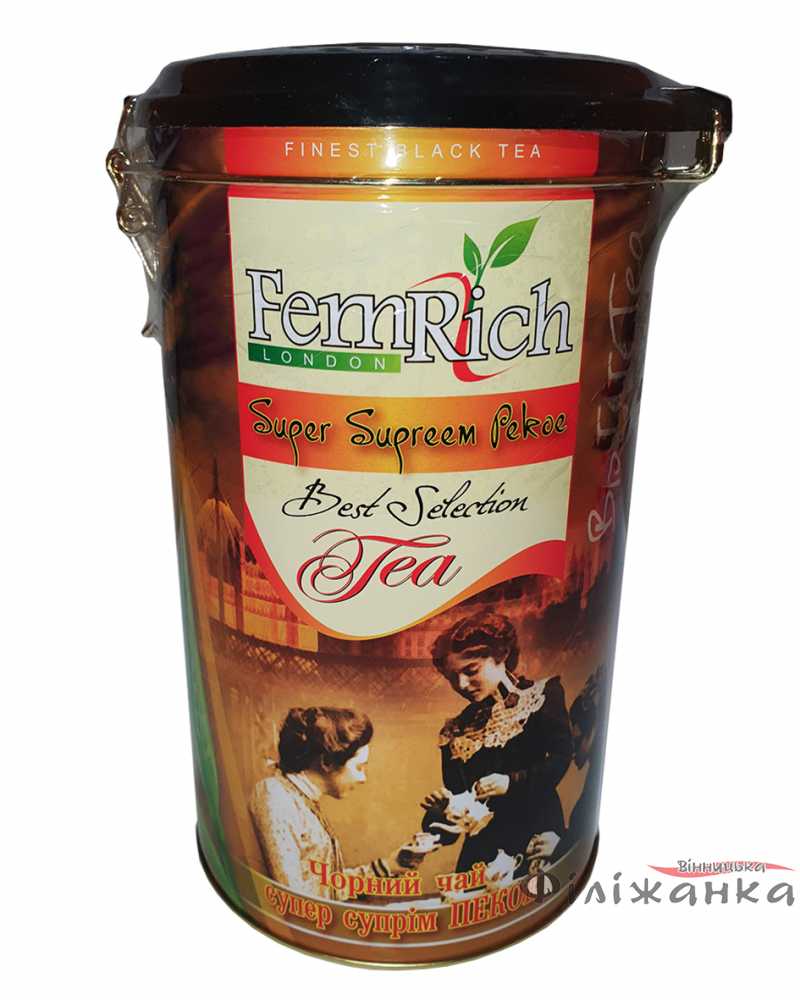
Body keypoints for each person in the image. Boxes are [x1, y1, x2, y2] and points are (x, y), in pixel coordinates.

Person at [424, 612, 573, 874]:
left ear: (501, 655)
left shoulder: (541, 696)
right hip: (481, 855)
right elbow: (456, 815)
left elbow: (560, 759)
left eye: (471, 671)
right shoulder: (455, 731)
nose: (462, 684)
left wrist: (511, 782)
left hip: (537, 838)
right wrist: (443, 811)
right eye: (452, 678)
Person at [250, 706, 433, 899]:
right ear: (327, 762)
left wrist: (390, 865)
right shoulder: (276, 795)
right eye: (359, 767)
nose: (363, 778)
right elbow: (296, 898)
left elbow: (325, 885)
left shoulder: (301, 799)